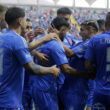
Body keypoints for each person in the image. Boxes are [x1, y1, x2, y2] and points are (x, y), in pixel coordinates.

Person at [0, 7, 60, 110]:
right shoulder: (18, 40)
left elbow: (20, 50)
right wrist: (51, 70)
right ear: (20, 21)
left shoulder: (2, 37)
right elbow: (32, 68)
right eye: (25, 19)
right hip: (10, 102)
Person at [32, 16, 94, 110]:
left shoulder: (41, 38)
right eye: (66, 30)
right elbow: (66, 69)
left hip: (37, 85)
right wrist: (86, 74)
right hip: (46, 88)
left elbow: (27, 48)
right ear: (63, 29)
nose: (67, 32)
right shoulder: (55, 45)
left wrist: (35, 53)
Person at [59, 20, 98, 110]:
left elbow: (69, 53)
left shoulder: (90, 42)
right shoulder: (82, 42)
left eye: (82, 30)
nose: (80, 33)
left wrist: (56, 39)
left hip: (77, 90)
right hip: (69, 87)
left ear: (91, 30)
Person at [85, 12, 110, 110]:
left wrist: (98, 71)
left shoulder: (95, 39)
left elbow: (87, 65)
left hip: (101, 91)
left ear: (105, 24)